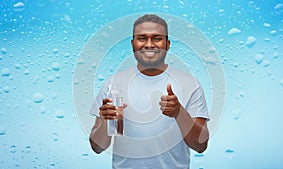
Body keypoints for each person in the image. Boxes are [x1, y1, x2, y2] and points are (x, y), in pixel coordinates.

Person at [89, 14, 209, 169]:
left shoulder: (190, 84)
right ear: (133, 44)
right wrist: (105, 121)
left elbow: (201, 145)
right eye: (142, 38)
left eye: (157, 38)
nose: (149, 44)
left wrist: (179, 112)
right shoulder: (113, 84)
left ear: (168, 43)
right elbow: (97, 148)